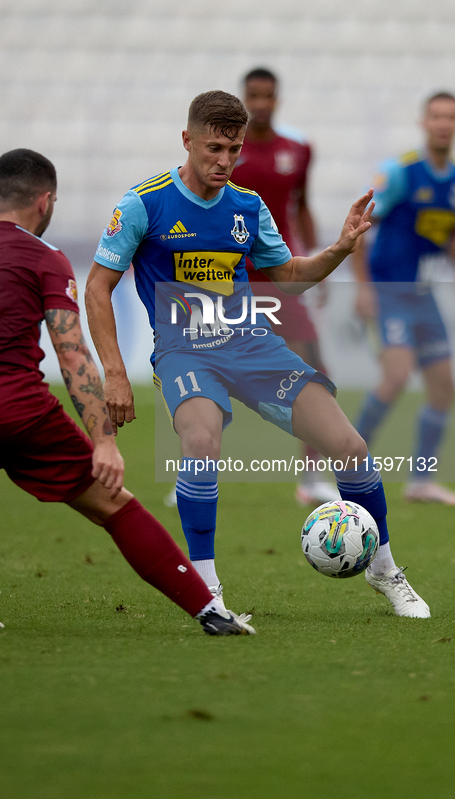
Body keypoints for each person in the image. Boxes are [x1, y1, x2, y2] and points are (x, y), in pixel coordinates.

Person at [0, 148, 254, 636]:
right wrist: (104, 440)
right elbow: (72, 355)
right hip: (17, 414)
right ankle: (211, 612)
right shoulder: (43, 258)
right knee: (115, 504)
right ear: (46, 203)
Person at [85, 90, 430, 619]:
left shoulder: (247, 206)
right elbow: (97, 287)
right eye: (214, 148)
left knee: (351, 446)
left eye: (234, 149)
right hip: (184, 350)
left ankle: (384, 569)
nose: (224, 161)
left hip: (252, 346)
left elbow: (288, 277)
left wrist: (338, 249)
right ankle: (207, 590)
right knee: (201, 440)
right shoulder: (143, 203)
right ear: (187, 141)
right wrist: (113, 371)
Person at [230, 66, 336, 506]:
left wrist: (315, 261)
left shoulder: (298, 149)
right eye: (252, 96)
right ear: (243, 98)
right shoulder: (225, 150)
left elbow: (303, 206)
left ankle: (310, 477)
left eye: (267, 96)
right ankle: (194, 477)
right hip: (229, 278)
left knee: (313, 371)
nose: (260, 104)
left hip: (279, 275)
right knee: (203, 374)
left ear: (278, 99)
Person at [353, 92, 455, 505]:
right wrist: (362, 288)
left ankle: (421, 480)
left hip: (423, 295)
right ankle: (349, 459)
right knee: (395, 376)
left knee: (444, 385)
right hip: (390, 292)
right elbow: (360, 224)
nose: (443, 123)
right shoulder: (399, 173)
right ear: (423, 122)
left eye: (450, 117)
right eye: (436, 116)